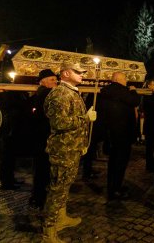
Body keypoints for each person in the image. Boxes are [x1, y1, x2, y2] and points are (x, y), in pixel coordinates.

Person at [42, 63, 97, 242]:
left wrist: (82, 141)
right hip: (63, 150)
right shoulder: (60, 93)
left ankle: (61, 217)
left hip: (71, 148)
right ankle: (49, 231)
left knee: (64, 187)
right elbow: (59, 123)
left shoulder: (71, 92)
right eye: (78, 72)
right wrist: (84, 119)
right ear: (66, 73)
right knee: (57, 189)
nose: (82, 74)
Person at [99, 71, 140, 201]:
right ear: (117, 79)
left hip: (111, 133)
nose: (126, 81)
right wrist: (133, 91)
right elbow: (135, 101)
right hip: (123, 134)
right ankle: (115, 189)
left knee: (113, 162)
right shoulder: (121, 91)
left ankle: (114, 186)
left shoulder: (105, 91)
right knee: (120, 162)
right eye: (125, 79)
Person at [30, 69, 57, 208]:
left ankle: (37, 196)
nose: (55, 82)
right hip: (43, 137)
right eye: (52, 79)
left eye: (55, 79)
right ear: (43, 81)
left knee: (41, 169)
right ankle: (39, 198)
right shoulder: (46, 93)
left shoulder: (41, 92)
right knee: (43, 169)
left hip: (41, 136)